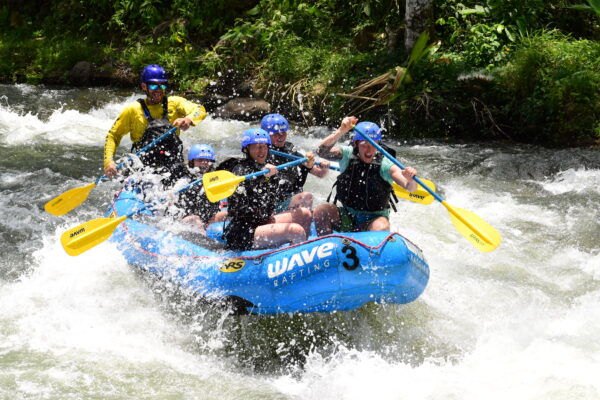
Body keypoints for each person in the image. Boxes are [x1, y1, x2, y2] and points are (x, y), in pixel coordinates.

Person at [313, 117, 418, 235]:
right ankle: (327, 246)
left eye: (373, 144)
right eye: (364, 144)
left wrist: (410, 179)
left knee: (381, 226)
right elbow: (320, 151)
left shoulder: (386, 164)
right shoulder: (347, 154)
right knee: (321, 211)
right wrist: (341, 131)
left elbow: (410, 187)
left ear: (378, 144)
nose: (369, 150)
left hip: (374, 219)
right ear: (356, 144)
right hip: (347, 214)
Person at [103, 64, 207, 181]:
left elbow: (200, 110)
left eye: (162, 85)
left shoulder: (175, 103)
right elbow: (113, 136)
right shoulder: (132, 110)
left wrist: (188, 119)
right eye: (153, 85)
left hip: (173, 165)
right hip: (143, 169)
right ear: (144, 86)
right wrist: (108, 162)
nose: (158, 90)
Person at [222, 128, 313, 250]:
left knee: (305, 214)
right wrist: (262, 177)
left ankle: (302, 251)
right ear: (247, 149)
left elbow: (290, 188)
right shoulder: (239, 170)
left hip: (264, 221)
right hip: (244, 232)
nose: (262, 151)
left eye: (265, 147)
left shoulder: (267, 169)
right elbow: (240, 205)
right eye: (257, 147)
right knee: (296, 231)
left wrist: (305, 168)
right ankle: (296, 259)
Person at [262, 113, 330, 211]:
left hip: (291, 200)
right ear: (266, 134)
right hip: (272, 204)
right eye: (276, 134)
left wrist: (324, 168)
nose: (281, 137)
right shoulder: (260, 152)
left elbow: (319, 174)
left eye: (283, 132)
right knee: (305, 197)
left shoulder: (290, 150)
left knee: (305, 197)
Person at [174, 144, 227, 234]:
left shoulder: (215, 180)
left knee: (222, 215)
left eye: (207, 160)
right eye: (200, 160)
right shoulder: (184, 181)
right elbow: (172, 197)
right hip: (185, 219)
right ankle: (204, 240)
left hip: (207, 221)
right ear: (192, 162)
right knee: (195, 219)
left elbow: (223, 205)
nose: (204, 163)